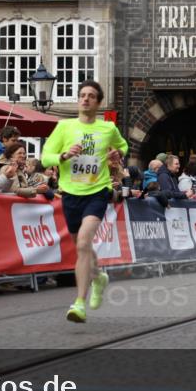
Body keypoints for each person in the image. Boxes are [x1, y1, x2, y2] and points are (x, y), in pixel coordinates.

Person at [41, 80, 127, 323]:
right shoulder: (64, 127)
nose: (85, 99)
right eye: (82, 95)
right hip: (70, 193)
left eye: (91, 96)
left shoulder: (108, 128)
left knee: (83, 243)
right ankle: (98, 277)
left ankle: (79, 303)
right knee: (82, 247)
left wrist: (117, 153)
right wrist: (64, 155)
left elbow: (123, 146)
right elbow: (45, 158)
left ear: (98, 102)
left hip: (97, 190)